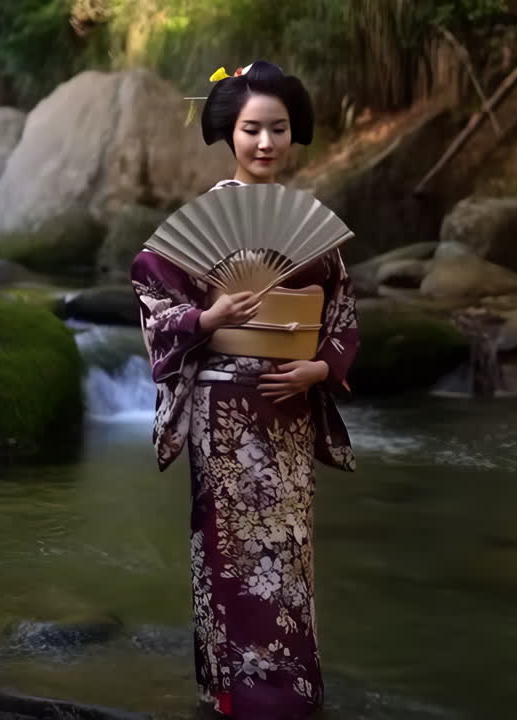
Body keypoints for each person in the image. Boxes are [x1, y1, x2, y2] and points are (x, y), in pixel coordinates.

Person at [129, 60, 359, 719]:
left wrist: (320, 369)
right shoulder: (201, 222)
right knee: (227, 548)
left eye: (278, 129)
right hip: (223, 410)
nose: (265, 142)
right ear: (230, 132)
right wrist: (207, 318)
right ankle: (232, 693)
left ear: (293, 134)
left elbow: (343, 315)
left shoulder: (311, 228)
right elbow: (152, 300)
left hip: (289, 406)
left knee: (289, 549)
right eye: (252, 129)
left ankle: (292, 693)